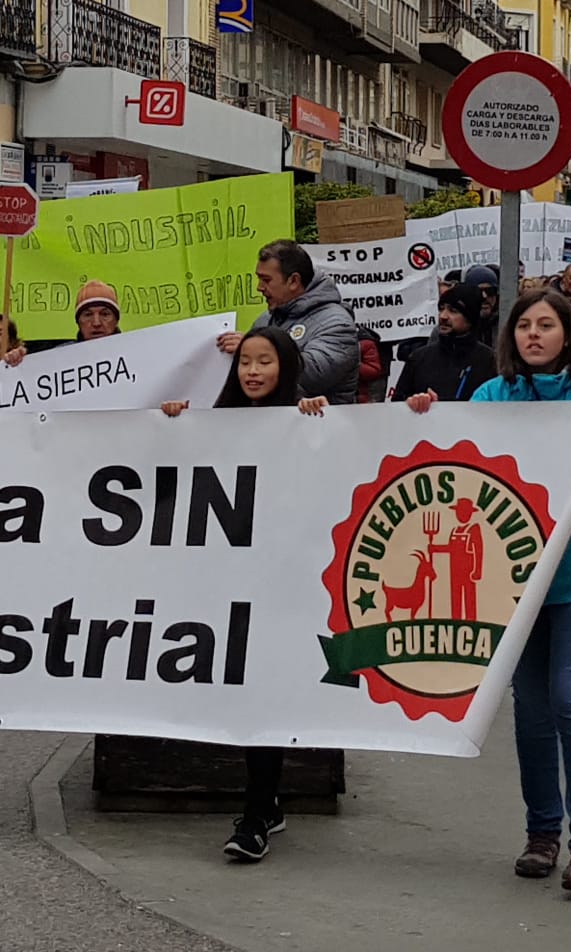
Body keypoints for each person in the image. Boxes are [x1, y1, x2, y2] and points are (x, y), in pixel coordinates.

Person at [406, 290, 571, 896]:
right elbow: (457, 462)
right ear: (510, 337)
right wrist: (425, 415)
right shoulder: (493, 397)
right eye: (524, 326)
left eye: (547, 325)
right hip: (512, 581)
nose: (534, 335)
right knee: (533, 712)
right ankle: (542, 833)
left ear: (567, 334)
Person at [159, 327, 330, 862]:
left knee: (262, 696)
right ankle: (267, 804)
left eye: (266, 362)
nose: (253, 372)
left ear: (287, 367)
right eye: (246, 363)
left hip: (281, 588)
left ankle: (257, 813)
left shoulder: (307, 421)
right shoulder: (215, 425)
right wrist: (172, 425)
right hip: (224, 585)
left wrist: (324, 424)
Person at [218, 240, 359, 404]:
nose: (259, 287)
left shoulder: (337, 323)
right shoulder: (265, 320)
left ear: (293, 281)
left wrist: (256, 351)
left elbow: (313, 375)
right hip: (266, 423)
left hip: (318, 426)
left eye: (266, 280)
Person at [388, 283, 496, 405]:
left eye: (453, 311)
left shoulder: (489, 361)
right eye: (441, 308)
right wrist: (413, 403)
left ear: (470, 318)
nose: (443, 316)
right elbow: (397, 406)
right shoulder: (419, 358)